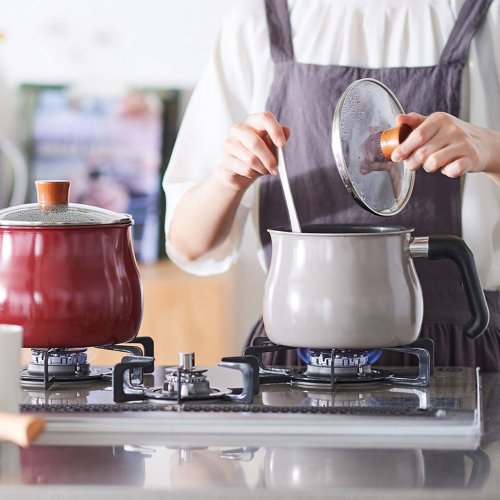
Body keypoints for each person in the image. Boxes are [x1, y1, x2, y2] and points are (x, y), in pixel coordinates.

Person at [163, 0, 500, 370]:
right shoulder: (256, 24)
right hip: (297, 356)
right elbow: (190, 246)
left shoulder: (490, 18)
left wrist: (491, 150)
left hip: (463, 348)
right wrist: (228, 179)